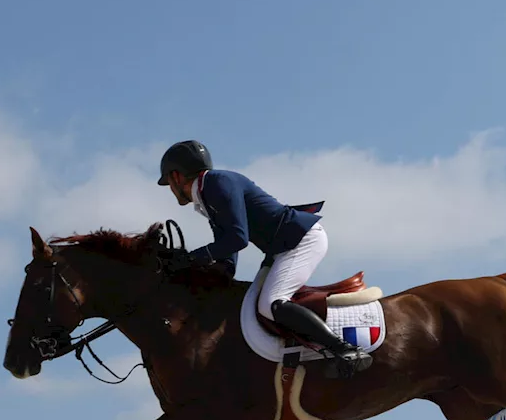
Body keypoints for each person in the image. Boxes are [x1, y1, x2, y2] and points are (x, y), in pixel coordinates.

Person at [157, 140, 372, 376]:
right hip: (281, 248)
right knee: (250, 303)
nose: (170, 188)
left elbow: (237, 238)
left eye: (168, 182)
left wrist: (191, 259)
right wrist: (219, 273)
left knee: (271, 304)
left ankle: (345, 350)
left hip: (301, 240)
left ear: (177, 177)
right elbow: (228, 244)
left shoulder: (217, 184)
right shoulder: (208, 191)